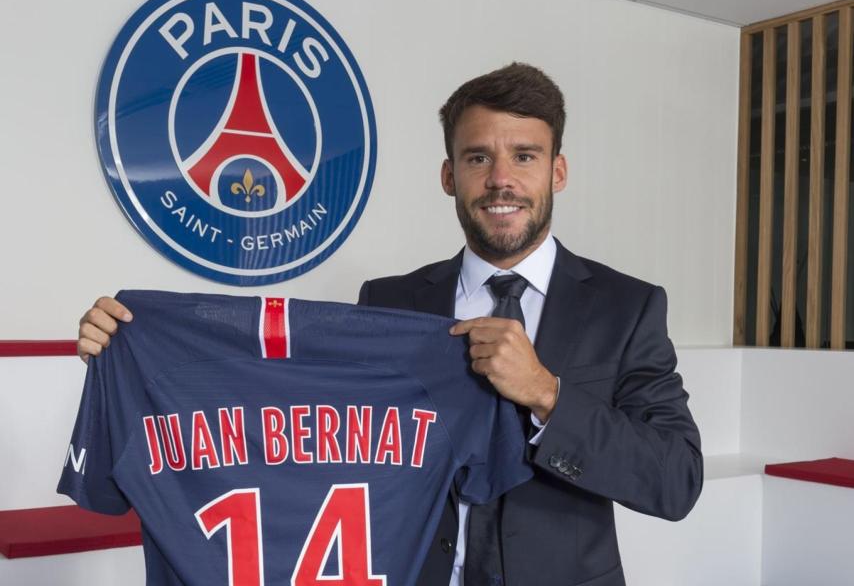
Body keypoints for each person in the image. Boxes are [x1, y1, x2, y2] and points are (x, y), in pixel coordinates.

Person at [77, 62, 702, 586]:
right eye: (478, 157)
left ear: (557, 172)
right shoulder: (388, 303)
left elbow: (675, 481)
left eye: (525, 156)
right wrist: (133, 353)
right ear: (448, 176)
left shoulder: (627, 307)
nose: (501, 179)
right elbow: (296, 419)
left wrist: (547, 394)